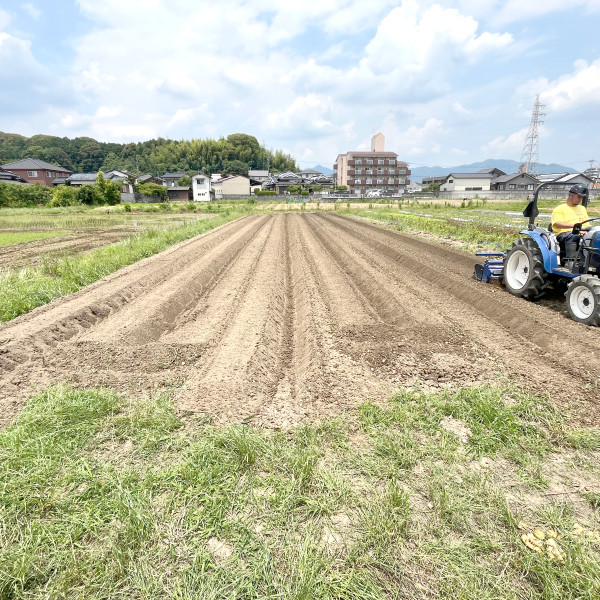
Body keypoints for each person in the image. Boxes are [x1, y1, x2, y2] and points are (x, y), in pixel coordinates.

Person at [551, 184, 589, 251]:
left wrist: (585, 231)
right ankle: (571, 260)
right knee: (574, 236)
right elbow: (558, 223)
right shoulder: (560, 209)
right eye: (579, 197)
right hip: (564, 234)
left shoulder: (582, 208)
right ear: (571, 194)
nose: (580, 199)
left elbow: (587, 224)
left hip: (580, 232)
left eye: (582, 197)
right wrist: (575, 226)